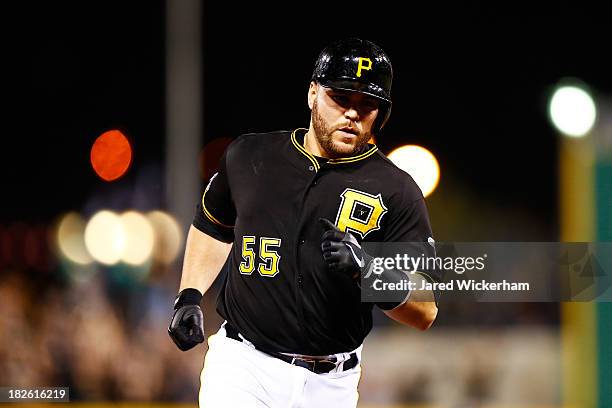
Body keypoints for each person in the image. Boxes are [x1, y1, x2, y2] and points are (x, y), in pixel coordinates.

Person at [168, 38, 440, 407]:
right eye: (340, 98)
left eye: (367, 104)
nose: (352, 114)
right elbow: (213, 226)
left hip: (332, 384)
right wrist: (189, 295)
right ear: (313, 93)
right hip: (244, 365)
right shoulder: (251, 156)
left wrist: (369, 272)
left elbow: (425, 309)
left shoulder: (397, 190)